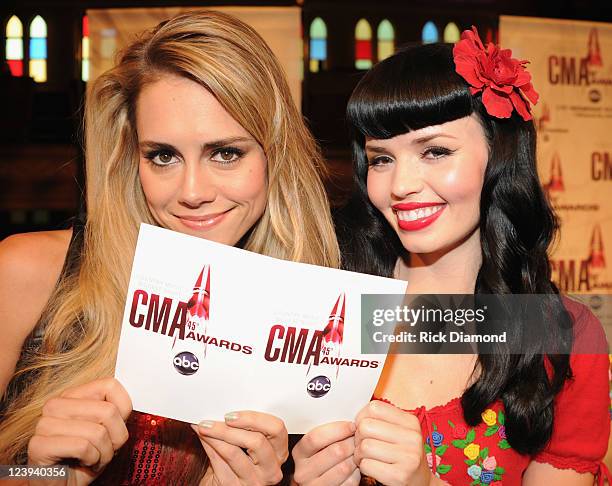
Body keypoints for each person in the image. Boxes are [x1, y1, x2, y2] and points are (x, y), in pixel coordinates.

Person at [0, 11, 340, 485]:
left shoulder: (317, 320)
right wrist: (35, 475)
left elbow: (467, 320)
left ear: (275, 154)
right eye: (163, 156)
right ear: (130, 155)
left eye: (225, 153)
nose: (192, 191)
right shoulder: (28, 272)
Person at [292, 28, 610, 485]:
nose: (400, 185)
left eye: (435, 151)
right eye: (381, 159)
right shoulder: (331, 310)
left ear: (499, 157)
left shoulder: (566, 337)